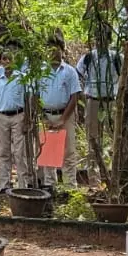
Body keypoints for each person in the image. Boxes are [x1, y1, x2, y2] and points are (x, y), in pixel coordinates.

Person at [37, 39, 82, 188]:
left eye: (55, 48)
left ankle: (70, 186)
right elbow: (34, 96)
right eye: (49, 48)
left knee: (68, 151)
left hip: (65, 115)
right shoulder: (41, 71)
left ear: (61, 50)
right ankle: (50, 185)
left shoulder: (70, 71)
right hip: (46, 115)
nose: (52, 52)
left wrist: (63, 119)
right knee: (48, 152)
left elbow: (75, 96)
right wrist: (43, 117)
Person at [0, 50, 33, 191]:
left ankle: (23, 184)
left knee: (19, 152)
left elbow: (27, 99)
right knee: (4, 151)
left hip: (18, 116)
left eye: (10, 59)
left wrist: (27, 118)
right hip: (2, 116)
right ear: (1, 61)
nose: (7, 62)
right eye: (4, 59)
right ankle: (4, 184)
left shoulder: (22, 78)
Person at [78, 42, 120, 180]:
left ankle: (112, 176)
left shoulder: (116, 57)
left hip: (110, 101)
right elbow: (78, 73)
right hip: (93, 100)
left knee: (113, 138)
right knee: (92, 139)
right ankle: (94, 179)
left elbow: (124, 74)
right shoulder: (89, 57)